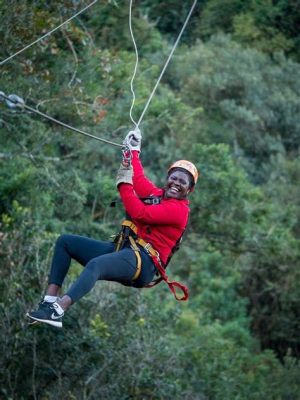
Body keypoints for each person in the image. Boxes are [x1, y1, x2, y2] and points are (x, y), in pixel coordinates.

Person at [26, 129, 199, 328]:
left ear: (189, 189)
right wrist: (133, 150)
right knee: (65, 242)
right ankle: (49, 303)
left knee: (96, 265)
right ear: (168, 178)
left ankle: (58, 311)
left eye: (182, 182)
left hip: (144, 262)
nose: (176, 183)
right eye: (174, 178)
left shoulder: (179, 211)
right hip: (126, 249)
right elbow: (139, 180)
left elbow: (139, 213)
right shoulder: (157, 195)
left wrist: (123, 185)